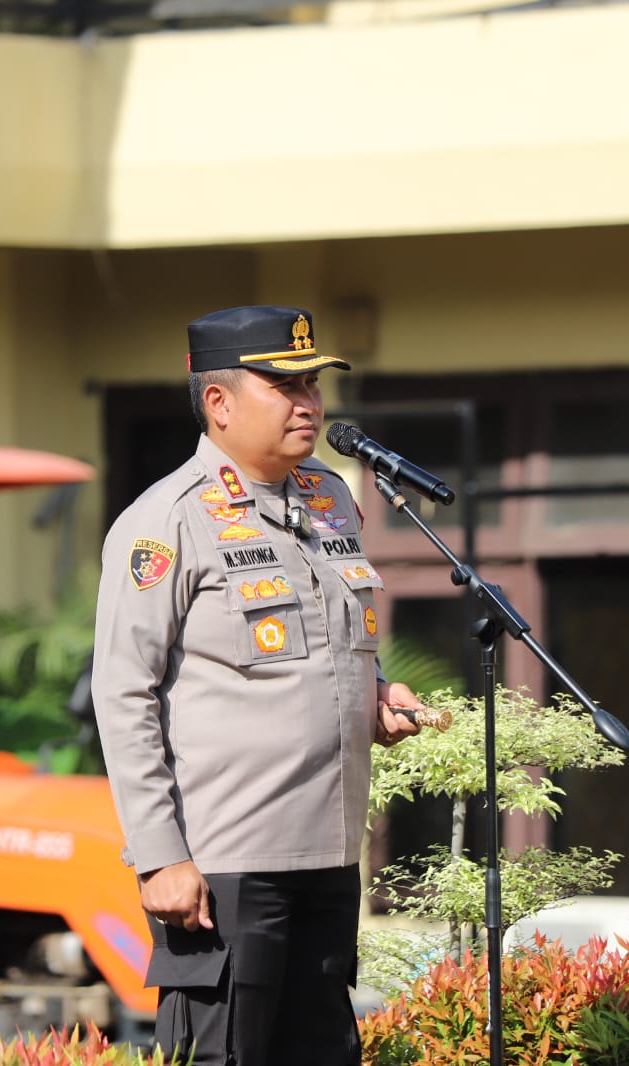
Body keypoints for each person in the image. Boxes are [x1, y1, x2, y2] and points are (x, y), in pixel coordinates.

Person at [91, 305, 427, 1065]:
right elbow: (124, 693)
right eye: (284, 385)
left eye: (311, 384)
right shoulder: (166, 521)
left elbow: (333, 644)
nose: (308, 402)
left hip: (330, 852)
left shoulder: (330, 499)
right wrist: (160, 856)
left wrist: (376, 695)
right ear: (218, 402)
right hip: (226, 864)